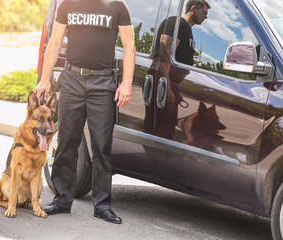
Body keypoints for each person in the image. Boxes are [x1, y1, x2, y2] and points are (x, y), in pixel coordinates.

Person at [35, 0, 135, 224]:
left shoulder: (118, 6)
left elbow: (129, 45)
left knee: (101, 146)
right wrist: (44, 79)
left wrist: (126, 83)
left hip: (103, 82)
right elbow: (55, 41)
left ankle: (102, 205)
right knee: (67, 142)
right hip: (71, 80)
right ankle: (62, 200)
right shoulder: (68, 4)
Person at [143, 0, 210, 139]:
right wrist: (166, 86)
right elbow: (163, 52)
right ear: (193, 8)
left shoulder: (187, 29)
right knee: (157, 134)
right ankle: (148, 159)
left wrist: (174, 88)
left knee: (167, 133)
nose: (206, 16)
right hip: (161, 83)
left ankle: (157, 159)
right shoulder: (177, 23)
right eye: (204, 12)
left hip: (169, 84)